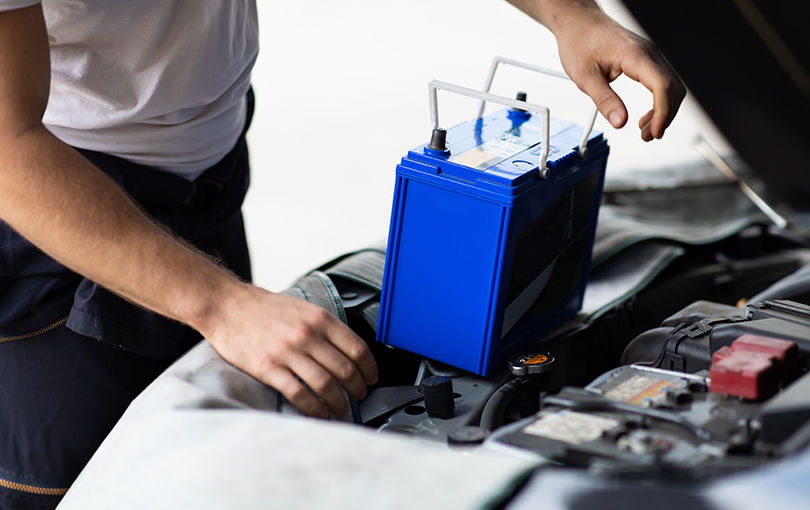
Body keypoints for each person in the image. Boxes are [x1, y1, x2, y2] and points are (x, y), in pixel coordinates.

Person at [0, 0, 684, 507]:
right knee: (95, 491)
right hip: (65, 230)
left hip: (203, 187)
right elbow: (7, 150)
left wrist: (569, 15)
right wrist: (220, 304)